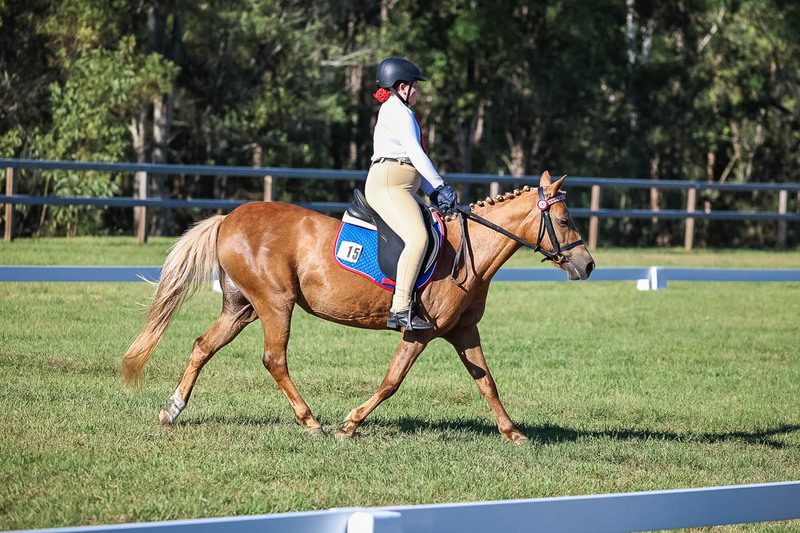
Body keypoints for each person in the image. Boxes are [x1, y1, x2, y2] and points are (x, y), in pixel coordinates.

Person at [366, 56, 458, 331]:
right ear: (402, 87)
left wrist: (432, 192)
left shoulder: (399, 111)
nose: (418, 90)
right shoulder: (397, 111)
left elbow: (413, 161)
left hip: (401, 184)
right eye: (415, 86)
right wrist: (439, 186)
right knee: (417, 238)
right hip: (389, 184)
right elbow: (415, 154)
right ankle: (400, 309)